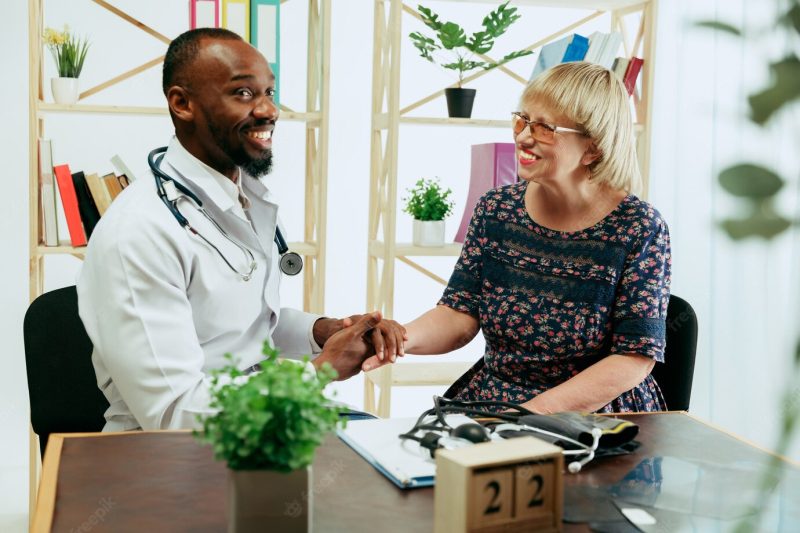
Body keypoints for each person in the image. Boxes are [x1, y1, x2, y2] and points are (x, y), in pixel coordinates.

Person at [77, 28, 404, 431]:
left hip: (255, 426)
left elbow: (237, 324)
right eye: (244, 94)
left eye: (269, 92)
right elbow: (171, 411)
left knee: (394, 452)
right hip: (170, 453)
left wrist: (325, 332)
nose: (268, 110)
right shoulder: (139, 232)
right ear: (182, 103)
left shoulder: (241, 198)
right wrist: (319, 371)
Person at [364, 62, 671, 414]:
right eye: (522, 119)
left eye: (545, 128)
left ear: (593, 148)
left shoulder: (638, 227)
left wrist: (527, 416)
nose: (524, 136)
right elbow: (459, 314)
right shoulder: (497, 210)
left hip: (594, 415)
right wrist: (398, 338)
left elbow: (634, 359)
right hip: (496, 403)